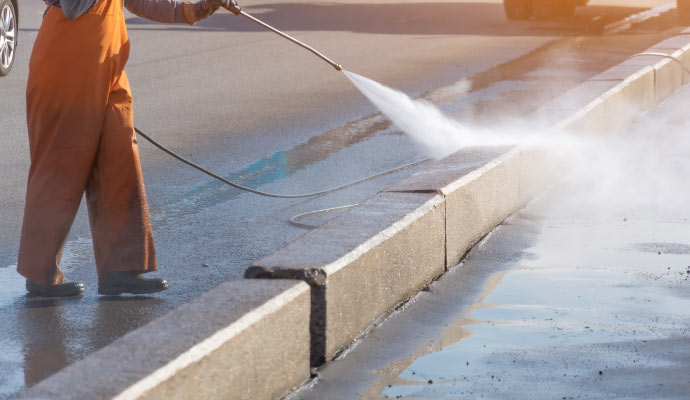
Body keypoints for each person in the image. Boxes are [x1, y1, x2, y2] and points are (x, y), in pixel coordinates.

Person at [17, 0, 233, 297]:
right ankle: (40, 274)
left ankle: (121, 268)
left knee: (119, 159)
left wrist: (196, 9)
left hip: (106, 68)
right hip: (65, 64)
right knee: (60, 167)